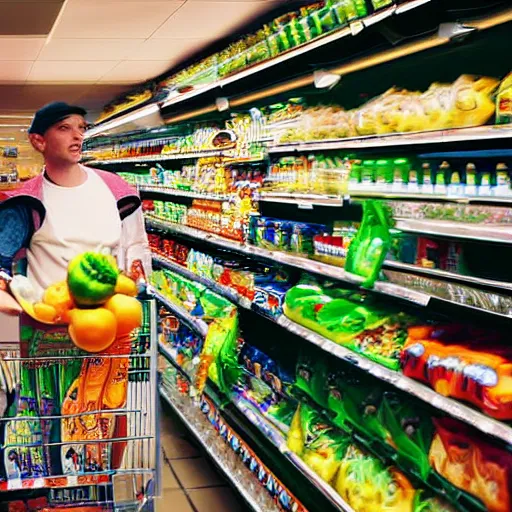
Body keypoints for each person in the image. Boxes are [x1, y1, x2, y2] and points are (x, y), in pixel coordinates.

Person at [0, 102, 151, 312]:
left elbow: (136, 248)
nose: (78, 136)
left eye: (81, 128)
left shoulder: (117, 190)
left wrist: (137, 287)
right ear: (38, 141)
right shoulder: (27, 202)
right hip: (49, 325)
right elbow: (2, 259)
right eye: (64, 128)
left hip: (107, 321)